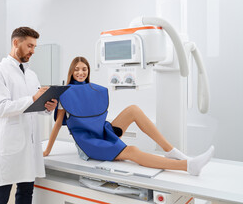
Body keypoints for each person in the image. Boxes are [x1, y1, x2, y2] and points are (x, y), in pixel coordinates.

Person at [43, 56, 214, 176]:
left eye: (84, 69)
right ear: (71, 72)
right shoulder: (64, 94)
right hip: (88, 143)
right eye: (76, 70)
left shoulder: (94, 89)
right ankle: (188, 166)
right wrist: (47, 150)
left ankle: (171, 150)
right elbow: (58, 124)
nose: (81, 73)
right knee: (131, 151)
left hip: (102, 131)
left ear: (88, 71)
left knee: (133, 109)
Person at [0, 27, 58, 204]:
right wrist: (33, 97)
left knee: (26, 193)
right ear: (16, 42)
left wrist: (47, 106)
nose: (32, 51)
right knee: (0, 196)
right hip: (10, 142)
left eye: (34, 47)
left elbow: (34, 106)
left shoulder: (31, 75)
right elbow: (1, 108)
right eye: (29, 46)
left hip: (30, 143)